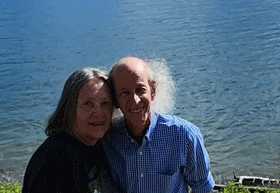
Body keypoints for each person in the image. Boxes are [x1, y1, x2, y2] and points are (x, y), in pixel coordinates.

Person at [103, 57, 215, 193]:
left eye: (140, 89)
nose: (135, 99)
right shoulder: (109, 138)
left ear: (153, 91)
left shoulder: (184, 135)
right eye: (125, 93)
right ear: (115, 100)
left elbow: (202, 187)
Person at [22, 67, 116, 193]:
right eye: (88, 104)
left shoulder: (93, 145)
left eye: (105, 103)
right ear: (70, 108)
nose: (98, 113)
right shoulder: (58, 159)